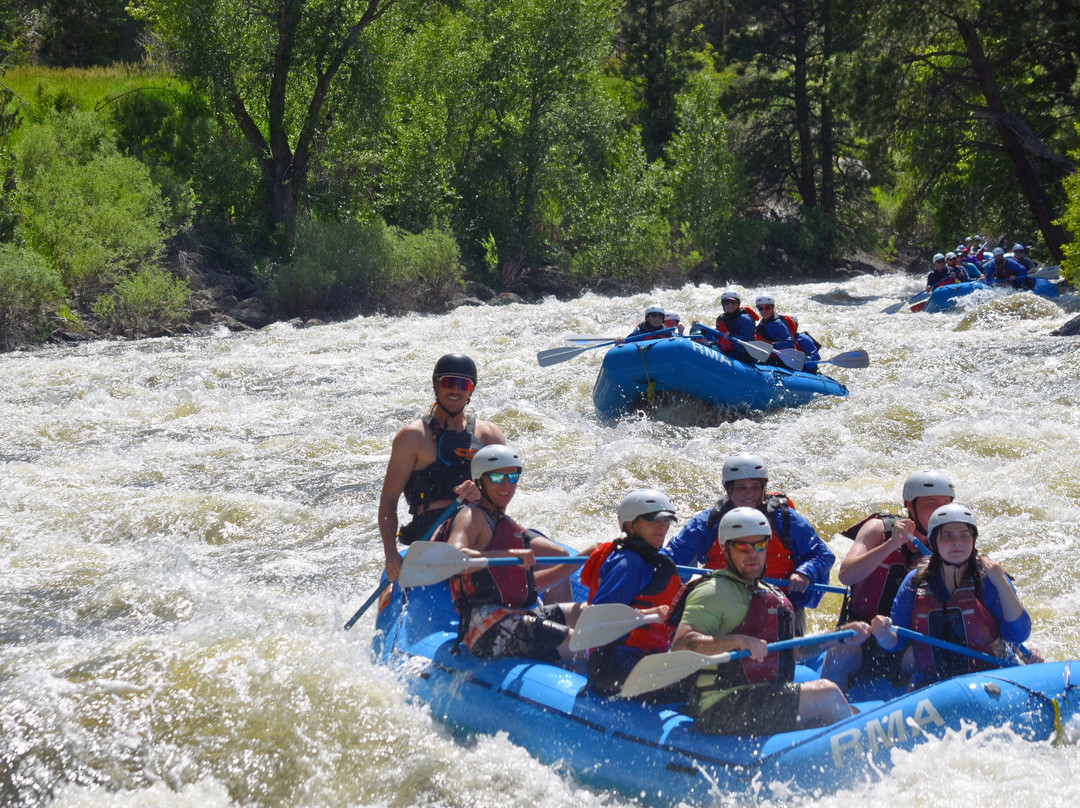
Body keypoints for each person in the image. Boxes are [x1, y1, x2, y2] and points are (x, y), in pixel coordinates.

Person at [670, 508, 869, 735]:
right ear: (725, 549)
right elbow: (681, 646)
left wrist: (839, 636)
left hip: (763, 698)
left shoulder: (771, 594)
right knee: (828, 694)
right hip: (719, 706)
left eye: (760, 546)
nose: (753, 554)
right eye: (743, 547)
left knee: (833, 710)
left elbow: (791, 652)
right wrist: (737, 641)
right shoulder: (713, 591)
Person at [441, 444, 584, 663]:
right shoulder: (472, 516)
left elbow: (527, 587)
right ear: (480, 481)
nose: (507, 485)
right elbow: (453, 558)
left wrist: (582, 558)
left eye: (513, 477)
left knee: (588, 614)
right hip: (486, 626)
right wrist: (508, 554)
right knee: (580, 643)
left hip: (515, 615)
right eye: (497, 478)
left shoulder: (507, 525)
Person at [870, 503, 1034, 687]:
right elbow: (895, 642)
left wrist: (1002, 583)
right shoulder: (914, 582)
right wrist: (882, 633)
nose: (957, 542)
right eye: (947, 536)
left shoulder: (990, 578)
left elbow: (1019, 634)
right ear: (934, 542)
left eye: (964, 535)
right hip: (933, 683)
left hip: (992, 679)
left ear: (973, 540)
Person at [673, 452, 835, 636]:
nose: (749, 495)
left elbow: (822, 555)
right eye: (741, 488)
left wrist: (805, 572)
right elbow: (673, 556)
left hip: (779, 601)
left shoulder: (786, 519)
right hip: (723, 600)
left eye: (755, 487)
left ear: (764, 487)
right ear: (728, 489)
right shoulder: (709, 522)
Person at [821, 471, 955, 691]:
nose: (940, 511)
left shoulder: (950, 540)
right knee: (839, 654)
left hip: (906, 639)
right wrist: (892, 545)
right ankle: (828, 708)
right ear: (910, 506)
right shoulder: (879, 529)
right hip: (862, 633)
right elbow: (846, 575)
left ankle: (916, 708)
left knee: (929, 655)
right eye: (932, 504)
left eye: (946, 504)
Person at [378, 353, 506, 583]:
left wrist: (482, 494)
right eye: (448, 382)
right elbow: (389, 499)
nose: (455, 390)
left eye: (463, 384)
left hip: (482, 526)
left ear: (471, 390)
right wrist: (391, 554)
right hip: (433, 529)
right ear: (436, 386)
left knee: (544, 548)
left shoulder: (490, 435)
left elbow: (504, 495)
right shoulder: (413, 437)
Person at [581, 489, 696, 696]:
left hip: (641, 656)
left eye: (666, 521)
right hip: (613, 666)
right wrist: (647, 614)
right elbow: (596, 621)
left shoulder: (650, 559)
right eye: (653, 520)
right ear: (630, 525)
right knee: (692, 688)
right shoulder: (628, 564)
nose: (662, 527)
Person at [711, 289, 758, 361]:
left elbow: (749, 341)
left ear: (738, 304)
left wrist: (732, 336)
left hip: (742, 355)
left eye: (733, 302)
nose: (730, 305)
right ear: (723, 305)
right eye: (727, 303)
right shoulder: (722, 318)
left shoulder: (745, 319)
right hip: (726, 351)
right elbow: (718, 335)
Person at [753, 295, 798, 365]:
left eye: (767, 308)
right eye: (761, 308)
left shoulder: (778, 323)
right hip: (768, 356)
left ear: (772, 308)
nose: (764, 311)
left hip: (780, 359)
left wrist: (773, 346)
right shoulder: (763, 322)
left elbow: (789, 343)